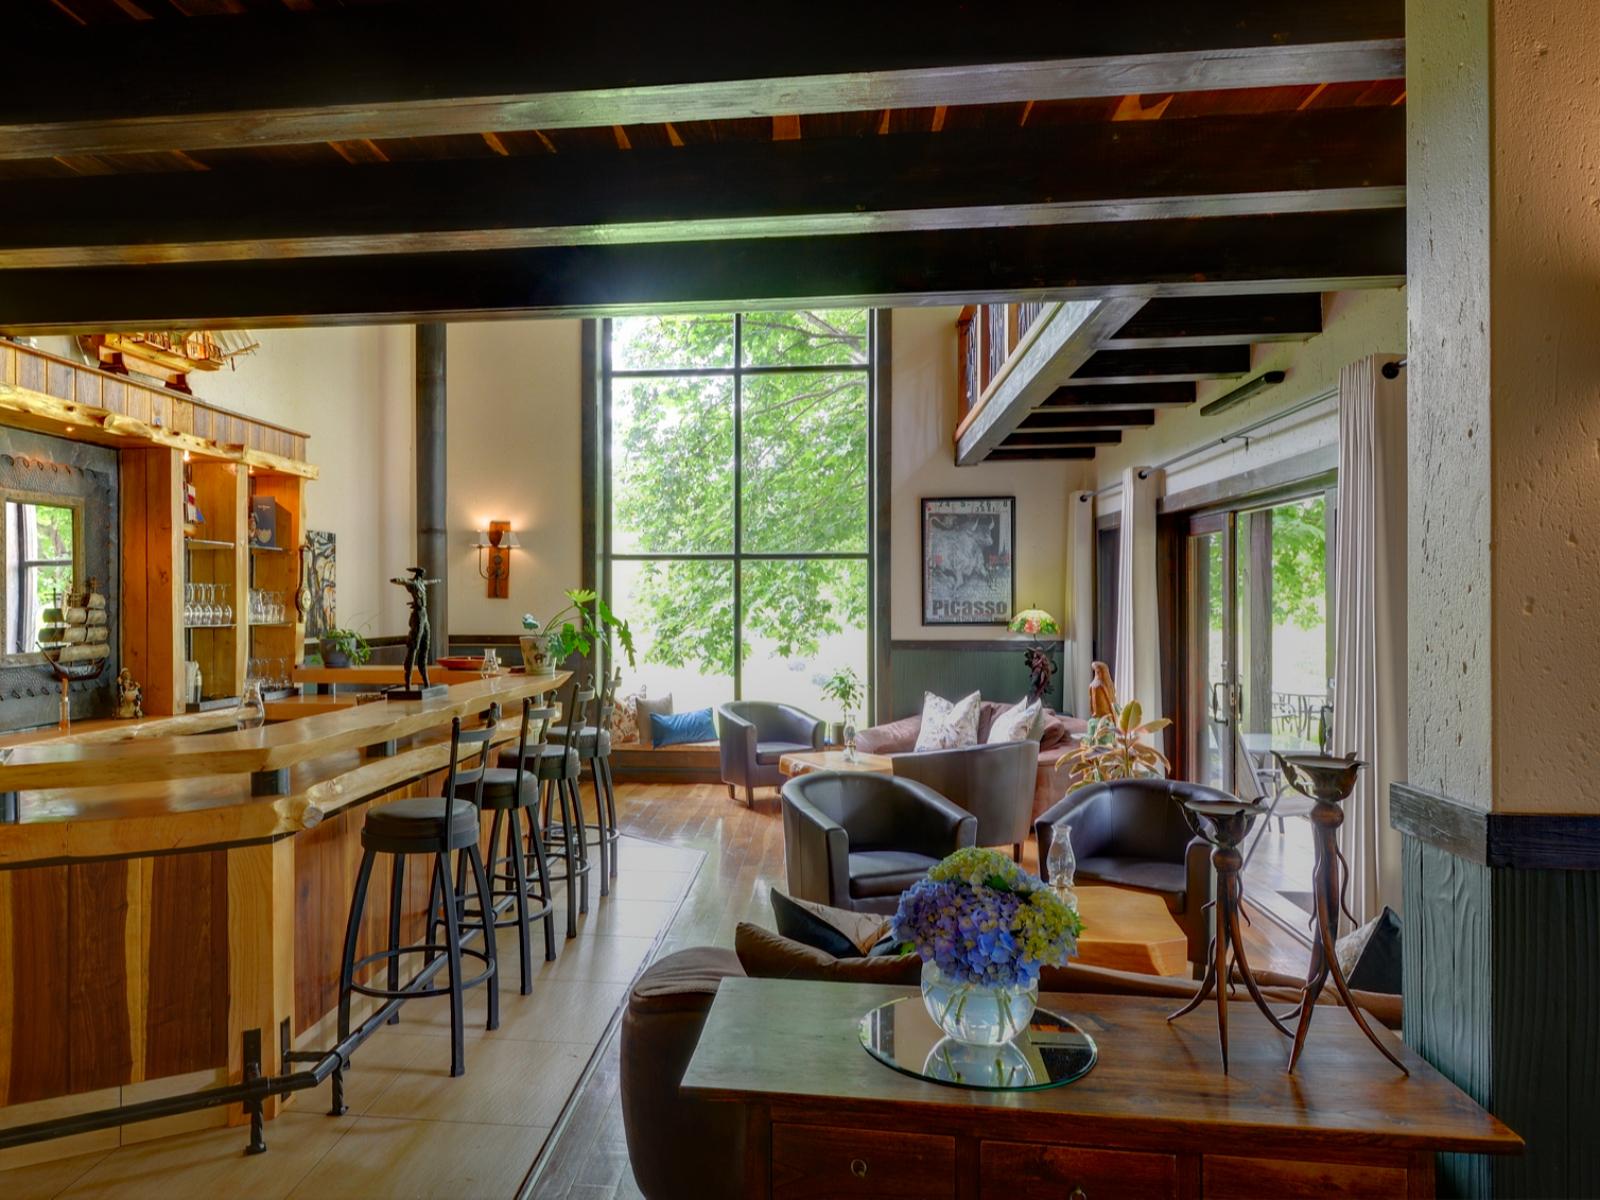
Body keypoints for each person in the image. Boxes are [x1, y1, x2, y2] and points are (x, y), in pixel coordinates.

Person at [389, 567, 439, 690]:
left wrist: (437, 581)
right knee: (414, 647)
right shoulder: (414, 583)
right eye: (421, 574)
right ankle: (408, 682)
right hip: (418, 615)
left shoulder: (421, 583)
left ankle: (426, 681)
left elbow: (430, 582)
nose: (422, 576)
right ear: (417, 574)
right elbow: (403, 581)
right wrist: (397, 580)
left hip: (424, 615)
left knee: (425, 646)